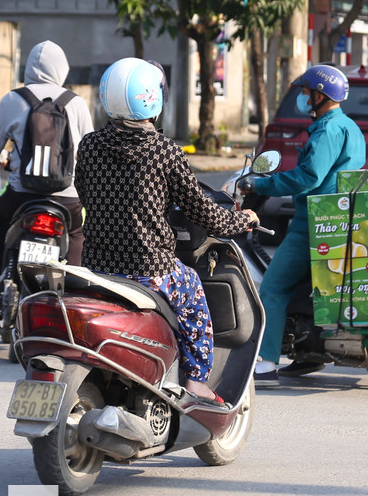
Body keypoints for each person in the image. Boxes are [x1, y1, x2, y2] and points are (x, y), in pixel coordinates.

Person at [74, 57, 257, 401]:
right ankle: (197, 382)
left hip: (96, 267)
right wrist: (243, 219)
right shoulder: (165, 151)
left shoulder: (89, 146)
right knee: (193, 296)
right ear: (152, 99)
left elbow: (85, 193)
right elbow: (206, 214)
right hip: (148, 269)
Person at [240, 65, 365, 386]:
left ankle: (266, 365)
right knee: (301, 290)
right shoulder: (349, 126)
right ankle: (306, 354)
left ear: (321, 96)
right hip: (338, 221)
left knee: (272, 289)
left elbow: (307, 178)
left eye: (307, 93)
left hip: (313, 224)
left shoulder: (327, 132)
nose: (304, 98)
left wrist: (260, 185)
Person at [0, 41, 93, 301]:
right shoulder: (76, 103)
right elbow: (89, 154)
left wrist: (4, 158)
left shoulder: (13, 99)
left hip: (21, 196)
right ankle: (77, 292)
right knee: (77, 232)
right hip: (66, 198)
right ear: (62, 69)